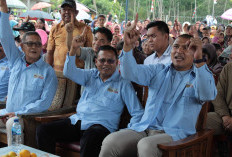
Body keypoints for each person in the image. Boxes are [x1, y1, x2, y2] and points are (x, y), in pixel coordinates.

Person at [99, 14, 217, 157]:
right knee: (111, 142)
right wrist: (128, 46)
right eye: (176, 46)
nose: (179, 51)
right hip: (145, 128)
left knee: (146, 146)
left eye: (186, 48)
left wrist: (199, 59)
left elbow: (208, 94)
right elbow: (130, 73)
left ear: (194, 53)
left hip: (175, 135)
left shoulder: (200, 75)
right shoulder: (159, 69)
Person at [36, 45, 144, 157]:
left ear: (117, 62)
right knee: (43, 130)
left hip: (101, 127)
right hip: (78, 121)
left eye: (110, 61)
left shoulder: (123, 84)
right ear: (96, 62)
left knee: (91, 137)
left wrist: (129, 131)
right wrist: (73, 50)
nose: (105, 64)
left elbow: (137, 112)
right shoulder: (91, 75)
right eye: (102, 60)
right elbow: (69, 72)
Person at [0, 0, 58, 145]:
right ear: (22, 46)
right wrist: (3, 10)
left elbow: (44, 103)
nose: (34, 47)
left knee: (12, 124)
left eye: (37, 44)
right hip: (6, 112)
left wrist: (19, 113)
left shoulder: (47, 71)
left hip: (26, 118)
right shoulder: (16, 60)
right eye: (30, 43)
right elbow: (5, 38)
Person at [46, 0, 93, 71]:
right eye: (64, 10)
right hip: (58, 74)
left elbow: (90, 53)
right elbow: (50, 52)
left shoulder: (85, 29)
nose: (67, 12)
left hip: (78, 74)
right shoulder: (55, 28)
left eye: (70, 10)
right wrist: (48, 71)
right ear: (60, 12)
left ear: (76, 13)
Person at [207, 62, 232, 136]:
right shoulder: (228, 68)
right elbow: (218, 95)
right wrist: (225, 115)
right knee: (197, 122)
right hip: (226, 115)